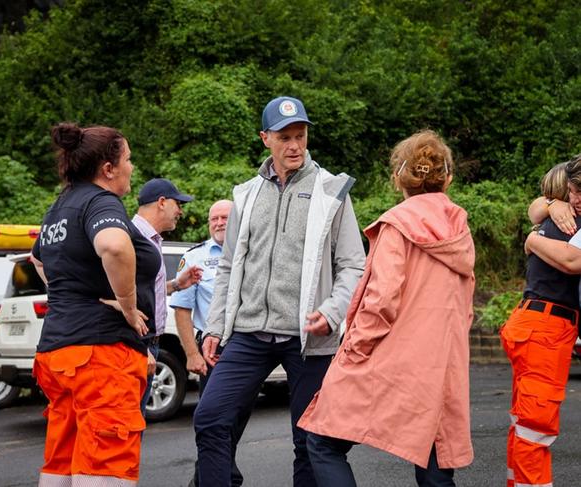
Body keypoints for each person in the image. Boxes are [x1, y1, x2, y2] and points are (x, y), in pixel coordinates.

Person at [194, 96, 365, 487]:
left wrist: (333, 311)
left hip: (308, 337)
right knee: (210, 419)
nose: (294, 146)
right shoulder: (246, 194)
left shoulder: (332, 190)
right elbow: (228, 265)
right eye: (285, 137)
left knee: (308, 441)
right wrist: (216, 327)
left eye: (300, 136)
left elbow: (353, 264)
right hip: (249, 332)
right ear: (265, 139)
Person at [298, 130, 475, 487]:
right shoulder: (460, 230)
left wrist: (355, 350)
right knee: (435, 455)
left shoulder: (398, 225)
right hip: (442, 364)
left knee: (322, 441)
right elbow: (464, 307)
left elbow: (380, 302)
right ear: (448, 177)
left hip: (392, 360)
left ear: (398, 178)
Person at [31, 123, 160, 486]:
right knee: (105, 464)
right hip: (99, 357)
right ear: (108, 168)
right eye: (129, 159)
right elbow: (115, 246)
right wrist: (128, 306)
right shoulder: (101, 201)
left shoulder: (60, 206)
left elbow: (38, 257)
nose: (132, 167)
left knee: (63, 460)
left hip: (58, 352)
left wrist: (75, 295)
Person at [170, 199, 250, 487]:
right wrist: (192, 354)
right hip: (213, 351)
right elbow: (181, 309)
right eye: (213, 218)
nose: (218, 223)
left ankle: (210, 478)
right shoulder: (195, 257)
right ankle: (223, 477)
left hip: (249, 347)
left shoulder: (250, 251)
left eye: (225, 218)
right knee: (215, 420)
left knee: (238, 418)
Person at [512, 157, 581, 487]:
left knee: (524, 424)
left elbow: (535, 209)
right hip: (545, 329)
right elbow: (572, 261)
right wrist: (549, 207)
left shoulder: (557, 219)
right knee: (535, 429)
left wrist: (533, 236)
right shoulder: (568, 221)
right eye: (572, 191)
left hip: (533, 324)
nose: (575, 199)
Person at [130, 177, 203, 415]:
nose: (180, 211)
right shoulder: (132, 237)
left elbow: (140, 290)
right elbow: (117, 296)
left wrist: (175, 285)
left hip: (149, 343)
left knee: (134, 424)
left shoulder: (150, 239)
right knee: (128, 423)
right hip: (136, 345)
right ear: (161, 202)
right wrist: (140, 349)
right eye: (177, 204)